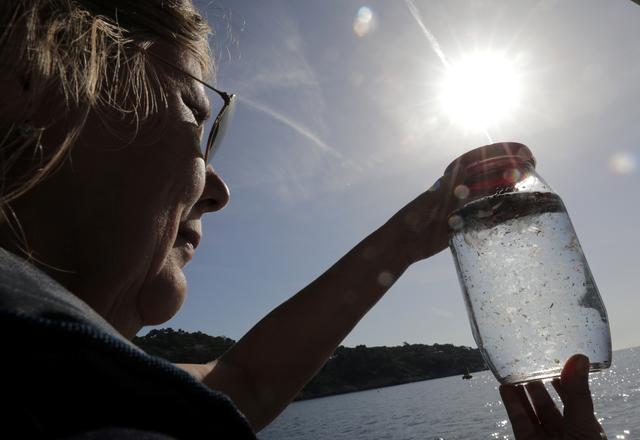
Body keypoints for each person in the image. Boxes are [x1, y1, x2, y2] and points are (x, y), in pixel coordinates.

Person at [0, 1, 605, 438]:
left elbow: (242, 383)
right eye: (195, 113)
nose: (219, 189)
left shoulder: (69, 387)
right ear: (31, 70)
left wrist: (412, 231)